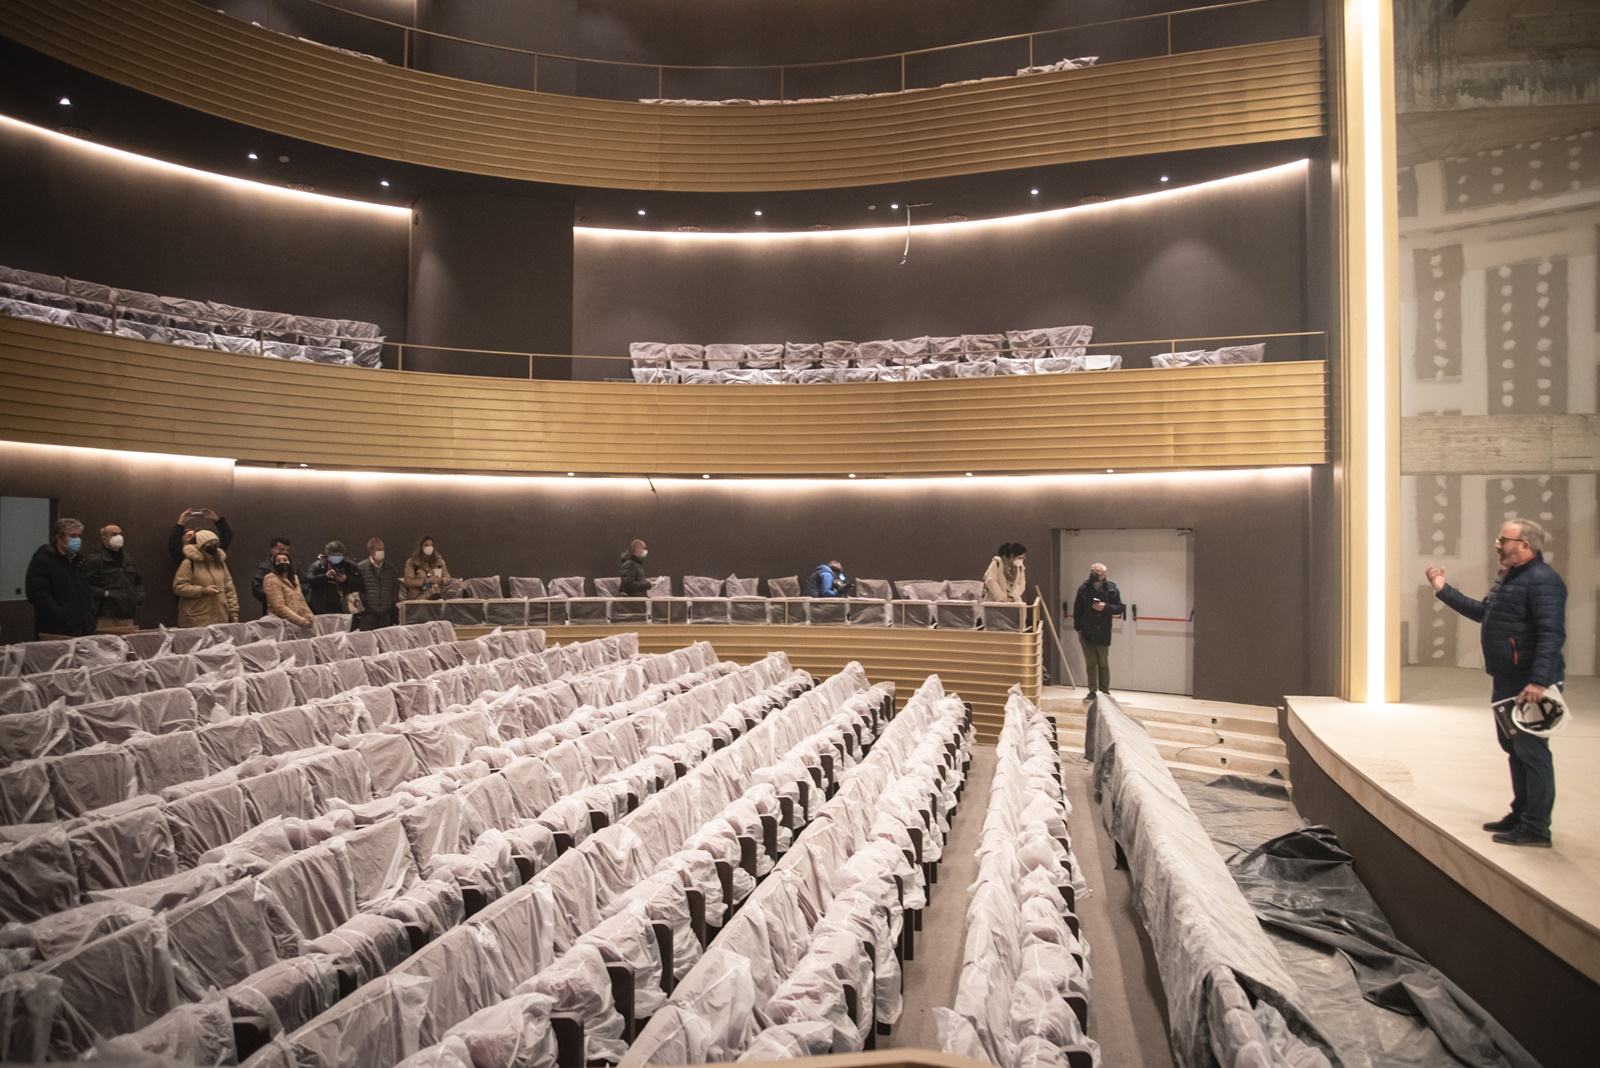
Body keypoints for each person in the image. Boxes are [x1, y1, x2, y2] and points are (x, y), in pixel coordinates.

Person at [1428, 517, 1567, 848]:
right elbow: (1483, 613)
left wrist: (1540, 680)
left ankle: (1536, 828)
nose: (1497, 544)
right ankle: (1520, 815)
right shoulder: (1508, 578)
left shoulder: (1544, 581)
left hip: (1530, 684)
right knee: (1514, 749)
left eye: (1503, 540)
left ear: (1525, 545)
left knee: (1533, 753)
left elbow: (1551, 633)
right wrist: (1443, 590)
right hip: (1506, 679)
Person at [25, 517, 97, 639]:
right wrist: (61, 613)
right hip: (57, 629)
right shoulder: (43, 561)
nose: (77, 540)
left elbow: (86, 590)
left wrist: (91, 613)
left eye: (79, 536)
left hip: (83, 628)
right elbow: (37, 593)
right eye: (73, 536)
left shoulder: (78, 561)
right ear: (59, 537)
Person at [1072, 562, 1123, 697]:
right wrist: (1078, 627)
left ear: (1104, 575)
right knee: (1090, 664)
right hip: (1086, 631)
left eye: (1097, 572)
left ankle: (1104, 691)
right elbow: (1077, 608)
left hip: (1102, 632)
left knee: (1103, 663)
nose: (1094, 574)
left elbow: (1119, 607)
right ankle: (1092, 691)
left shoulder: (1111, 589)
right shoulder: (1083, 589)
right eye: (1092, 571)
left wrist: (1105, 607)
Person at [84, 522, 144, 631]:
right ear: (104, 539)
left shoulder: (128, 559)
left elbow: (137, 581)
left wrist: (139, 597)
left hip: (128, 613)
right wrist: (105, 594)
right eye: (114, 534)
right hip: (107, 614)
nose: (119, 537)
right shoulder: (95, 560)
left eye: (120, 533)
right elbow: (84, 585)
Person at [172, 528, 239, 627]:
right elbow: (179, 587)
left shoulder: (220, 563)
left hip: (220, 616)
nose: (214, 546)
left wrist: (233, 611)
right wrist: (203, 591)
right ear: (201, 545)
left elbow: (229, 588)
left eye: (216, 543)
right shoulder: (189, 563)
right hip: (196, 619)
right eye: (210, 543)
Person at [262, 548, 314, 629]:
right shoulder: (271, 579)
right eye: (278, 561)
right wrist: (299, 620)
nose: (282, 562)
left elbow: (301, 600)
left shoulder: (294, 578)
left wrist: (309, 615)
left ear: (290, 562)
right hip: (280, 624)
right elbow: (278, 606)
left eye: (285, 560)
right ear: (274, 564)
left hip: (298, 623)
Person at [306, 540, 363, 615]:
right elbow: (308, 580)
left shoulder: (349, 565)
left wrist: (347, 579)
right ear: (328, 554)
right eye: (334, 554)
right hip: (322, 606)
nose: (337, 557)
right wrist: (325, 576)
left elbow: (360, 581)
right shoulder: (319, 565)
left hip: (344, 605)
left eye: (339, 554)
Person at [357, 538, 400, 629]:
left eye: (383, 549)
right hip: (367, 614)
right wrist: (365, 602)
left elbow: (396, 586)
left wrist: (391, 601)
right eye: (379, 549)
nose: (382, 552)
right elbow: (357, 588)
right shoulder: (361, 568)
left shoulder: (390, 568)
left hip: (386, 614)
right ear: (371, 551)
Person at [166, 507, 233, 564]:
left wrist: (214, 517)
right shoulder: (182, 557)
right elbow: (173, 543)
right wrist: (181, 522)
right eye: (189, 536)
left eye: (195, 536)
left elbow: (227, 535)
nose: (193, 538)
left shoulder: (211, 554)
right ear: (182, 542)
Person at [402, 536, 452, 601]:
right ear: (421, 547)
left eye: (432, 545)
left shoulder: (439, 562)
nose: (430, 547)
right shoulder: (412, 562)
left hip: (436, 595)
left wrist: (441, 580)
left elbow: (448, 578)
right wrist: (427, 580)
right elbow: (408, 581)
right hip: (418, 597)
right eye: (426, 545)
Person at [252, 536, 293, 612]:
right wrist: (274, 595)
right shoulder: (264, 568)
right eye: (281, 549)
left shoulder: (293, 567)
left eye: (287, 550)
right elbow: (257, 589)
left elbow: (303, 584)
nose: (285, 552)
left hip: (293, 607)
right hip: (272, 609)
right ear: (273, 551)